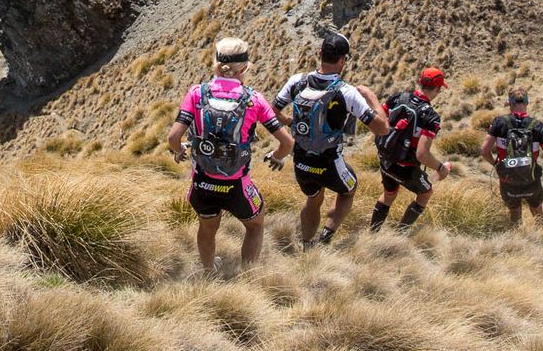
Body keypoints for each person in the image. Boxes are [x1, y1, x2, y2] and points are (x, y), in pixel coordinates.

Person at [167, 36, 292, 272]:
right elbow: (287, 142)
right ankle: (248, 277)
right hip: (236, 187)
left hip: (202, 185)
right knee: (255, 223)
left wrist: (179, 150)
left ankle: (207, 271)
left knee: (207, 227)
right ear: (244, 68)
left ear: (214, 63)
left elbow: (173, 138)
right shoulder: (254, 100)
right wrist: (276, 156)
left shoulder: (196, 93)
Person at [273, 29, 388, 246]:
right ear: (343, 60)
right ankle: (325, 238)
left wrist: (293, 123)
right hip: (328, 162)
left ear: (320, 53)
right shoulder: (347, 91)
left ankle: (307, 246)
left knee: (314, 198)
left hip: (301, 162)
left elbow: (274, 112)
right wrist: (372, 97)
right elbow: (382, 128)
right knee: (349, 190)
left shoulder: (297, 81)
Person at [369, 67, 455, 231]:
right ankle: (401, 233)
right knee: (425, 193)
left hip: (385, 160)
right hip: (406, 169)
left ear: (419, 82)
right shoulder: (431, 117)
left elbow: (377, 120)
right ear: (437, 89)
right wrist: (441, 168)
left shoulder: (398, 97)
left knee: (389, 194)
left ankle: (372, 233)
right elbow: (422, 154)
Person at [481, 87, 543, 226]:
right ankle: (542, 243)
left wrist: (496, 164)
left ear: (509, 103)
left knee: (514, 214)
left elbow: (484, 151)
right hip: (531, 180)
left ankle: (518, 244)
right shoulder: (537, 126)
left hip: (508, 180)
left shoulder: (499, 122)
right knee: (538, 214)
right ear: (527, 102)